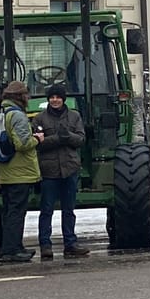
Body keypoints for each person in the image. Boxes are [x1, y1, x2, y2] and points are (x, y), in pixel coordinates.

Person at [34, 84, 89, 260]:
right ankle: (45, 245)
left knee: (69, 209)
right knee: (47, 209)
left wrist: (69, 137)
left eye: (58, 97)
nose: (55, 100)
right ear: (48, 99)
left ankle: (70, 244)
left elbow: (80, 140)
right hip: (49, 170)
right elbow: (37, 143)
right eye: (52, 97)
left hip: (70, 168)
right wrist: (58, 139)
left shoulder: (74, 116)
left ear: (63, 99)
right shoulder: (39, 119)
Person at [0, 80, 43, 262]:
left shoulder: (3, 112)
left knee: (9, 211)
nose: (28, 98)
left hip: (8, 171)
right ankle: (12, 250)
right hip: (20, 172)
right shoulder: (18, 116)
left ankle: (13, 246)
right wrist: (37, 139)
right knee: (16, 212)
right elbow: (23, 144)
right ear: (20, 97)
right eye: (26, 95)